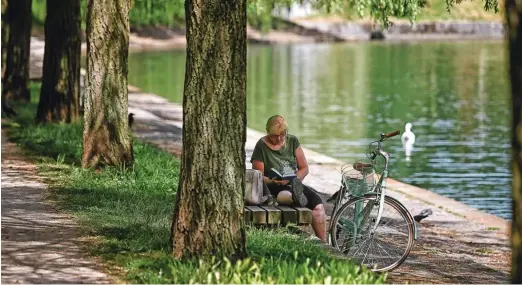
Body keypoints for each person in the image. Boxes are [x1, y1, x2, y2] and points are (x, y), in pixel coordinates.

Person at [250, 115, 326, 241]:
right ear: (268, 132)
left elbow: (304, 168)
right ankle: (295, 197)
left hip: (292, 182)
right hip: (271, 186)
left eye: (282, 134)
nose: (279, 138)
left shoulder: (293, 141)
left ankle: (324, 244)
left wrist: (293, 178)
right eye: (274, 135)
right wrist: (272, 180)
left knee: (318, 206)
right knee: (284, 194)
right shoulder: (261, 146)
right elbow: (257, 176)